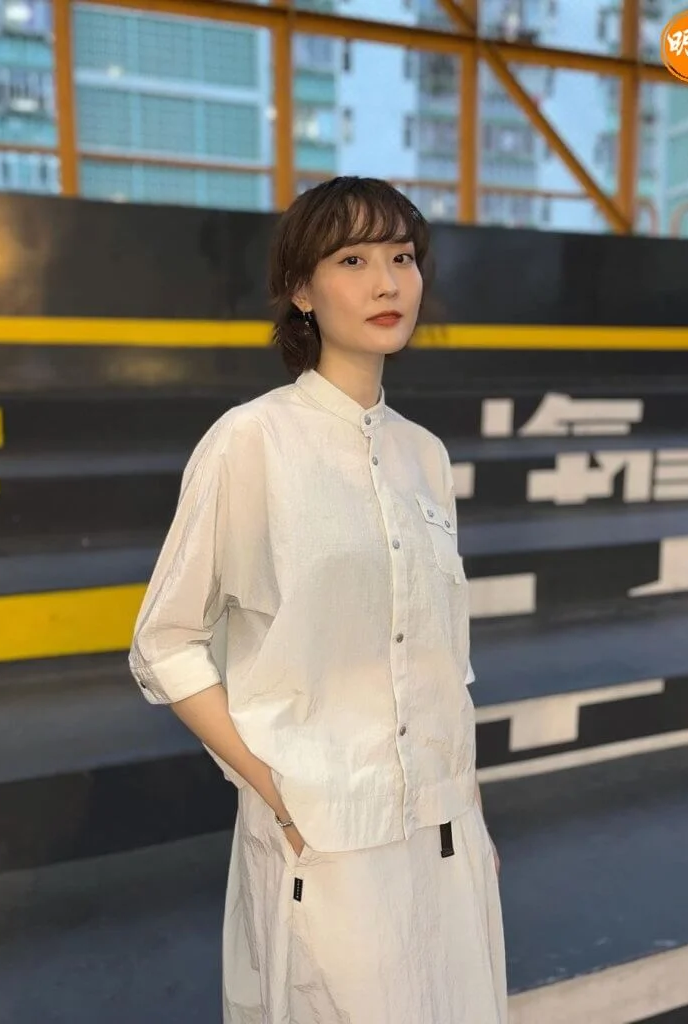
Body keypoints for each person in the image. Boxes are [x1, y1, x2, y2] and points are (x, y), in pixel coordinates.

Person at [129, 176, 507, 1024]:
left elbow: (441, 661)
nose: (386, 283)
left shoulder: (424, 455)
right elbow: (164, 642)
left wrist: (473, 817)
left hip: (443, 831)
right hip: (324, 833)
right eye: (353, 260)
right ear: (301, 290)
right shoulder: (251, 440)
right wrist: (275, 790)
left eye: (401, 258)